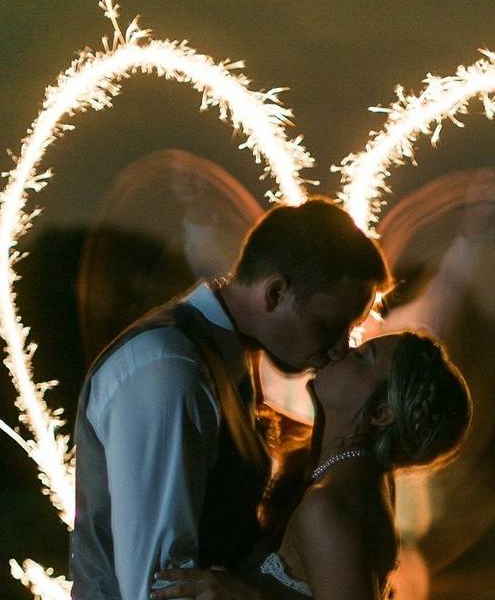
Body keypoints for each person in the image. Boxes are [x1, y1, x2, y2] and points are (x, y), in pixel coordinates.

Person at [69, 198, 391, 600]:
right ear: (275, 293)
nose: (340, 348)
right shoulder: (170, 370)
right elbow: (160, 587)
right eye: (329, 324)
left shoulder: (225, 358)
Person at [151, 330, 473, 599]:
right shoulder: (359, 481)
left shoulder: (330, 508)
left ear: (380, 414)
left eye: (362, 356)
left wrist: (246, 595)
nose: (342, 351)